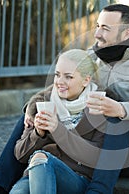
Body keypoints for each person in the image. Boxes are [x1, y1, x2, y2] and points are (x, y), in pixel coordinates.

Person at [0, 3, 129, 194]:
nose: (97, 33)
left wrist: (122, 109)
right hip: (95, 142)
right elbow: (63, 83)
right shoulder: (93, 55)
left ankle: (97, 190)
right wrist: (32, 105)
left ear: (126, 33)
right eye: (97, 26)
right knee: (38, 113)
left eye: (105, 28)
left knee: (114, 120)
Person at [10, 48, 107, 193]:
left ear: (86, 80)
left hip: (76, 178)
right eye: (57, 75)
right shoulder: (44, 102)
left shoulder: (99, 105)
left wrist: (58, 130)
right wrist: (38, 133)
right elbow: (20, 155)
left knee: (42, 158)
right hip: (35, 174)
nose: (59, 82)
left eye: (68, 77)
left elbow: (95, 156)